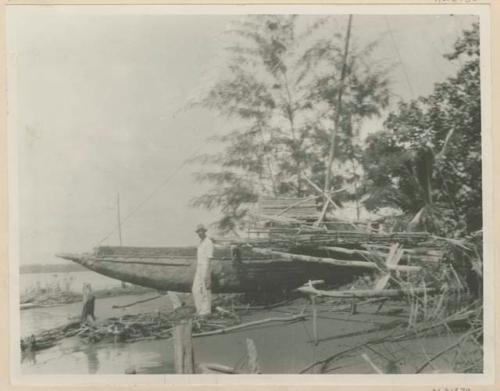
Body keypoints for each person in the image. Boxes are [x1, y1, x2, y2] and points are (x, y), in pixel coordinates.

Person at [192, 224, 214, 317]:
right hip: (199, 267)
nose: (199, 233)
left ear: (204, 231)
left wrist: (208, 274)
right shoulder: (200, 243)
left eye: (201, 231)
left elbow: (209, 259)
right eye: (198, 231)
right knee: (195, 289)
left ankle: (206, 311)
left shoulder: (208, 242)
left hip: (205, 266)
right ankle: (199, 309)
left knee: (205, 289)